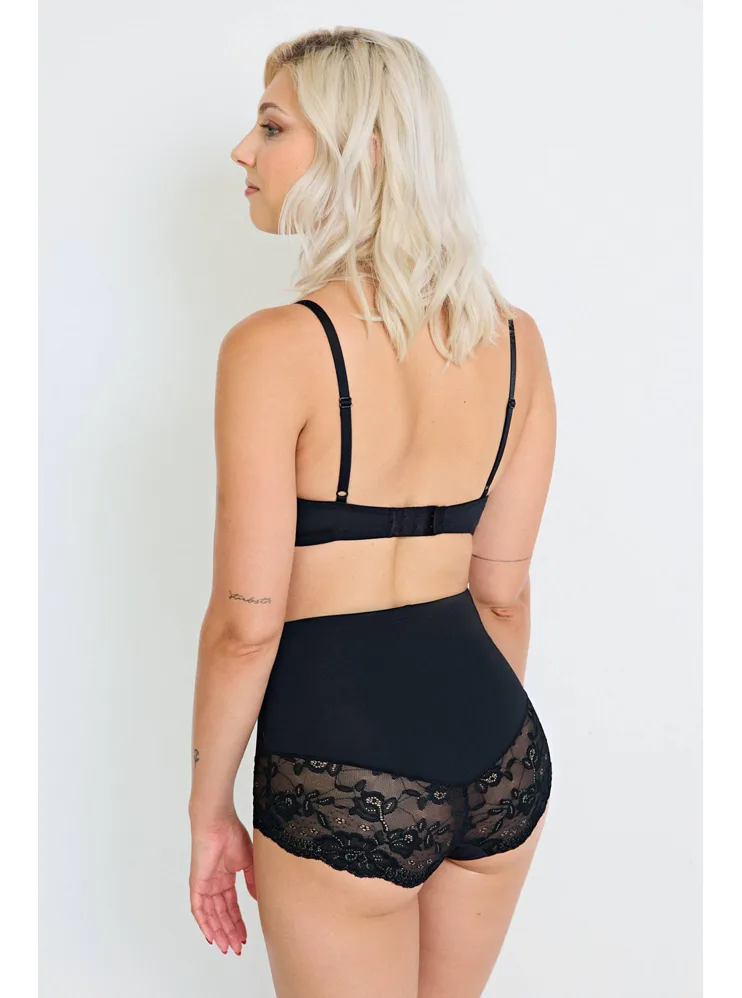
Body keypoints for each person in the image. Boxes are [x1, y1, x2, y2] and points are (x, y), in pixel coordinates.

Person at [189, 26, 557, 998]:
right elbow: (504, 596)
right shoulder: (513, 339)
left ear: (366, 151)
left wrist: (208, 808)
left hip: (340, 757)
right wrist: (460, 751)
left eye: (273, 126)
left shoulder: (274, 347)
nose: (243, 150)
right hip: (498, 747)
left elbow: (244, 627)